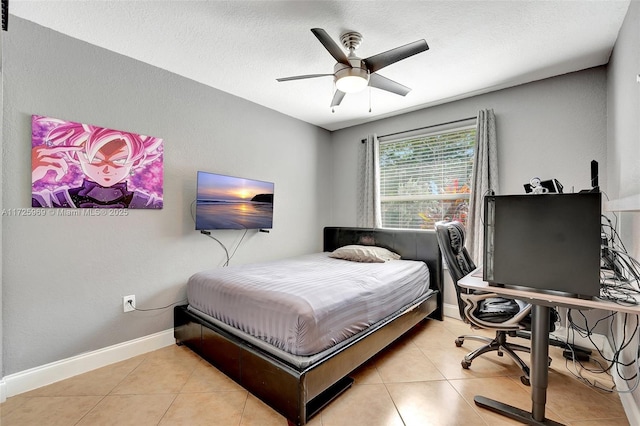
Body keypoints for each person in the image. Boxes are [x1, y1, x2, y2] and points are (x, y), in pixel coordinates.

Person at [31, 116, 163, 208]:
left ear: (135, 161)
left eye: (120, 160)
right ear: (76, 156)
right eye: (95, 159)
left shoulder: (151, 204)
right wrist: (31, 174)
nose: (107, 169)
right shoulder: (53, 201)